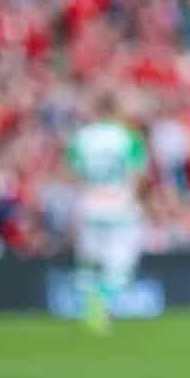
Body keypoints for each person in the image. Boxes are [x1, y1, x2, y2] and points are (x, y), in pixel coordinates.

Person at [65, 95, 148, 334]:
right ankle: (100, 304)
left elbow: (72, 174)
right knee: (121, 264)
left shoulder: (82, 137)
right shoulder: (127, 137)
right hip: (120, 207)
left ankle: (91, 304)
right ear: (115, 110)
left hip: (89, 206)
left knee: (91, 261)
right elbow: (137, 174)